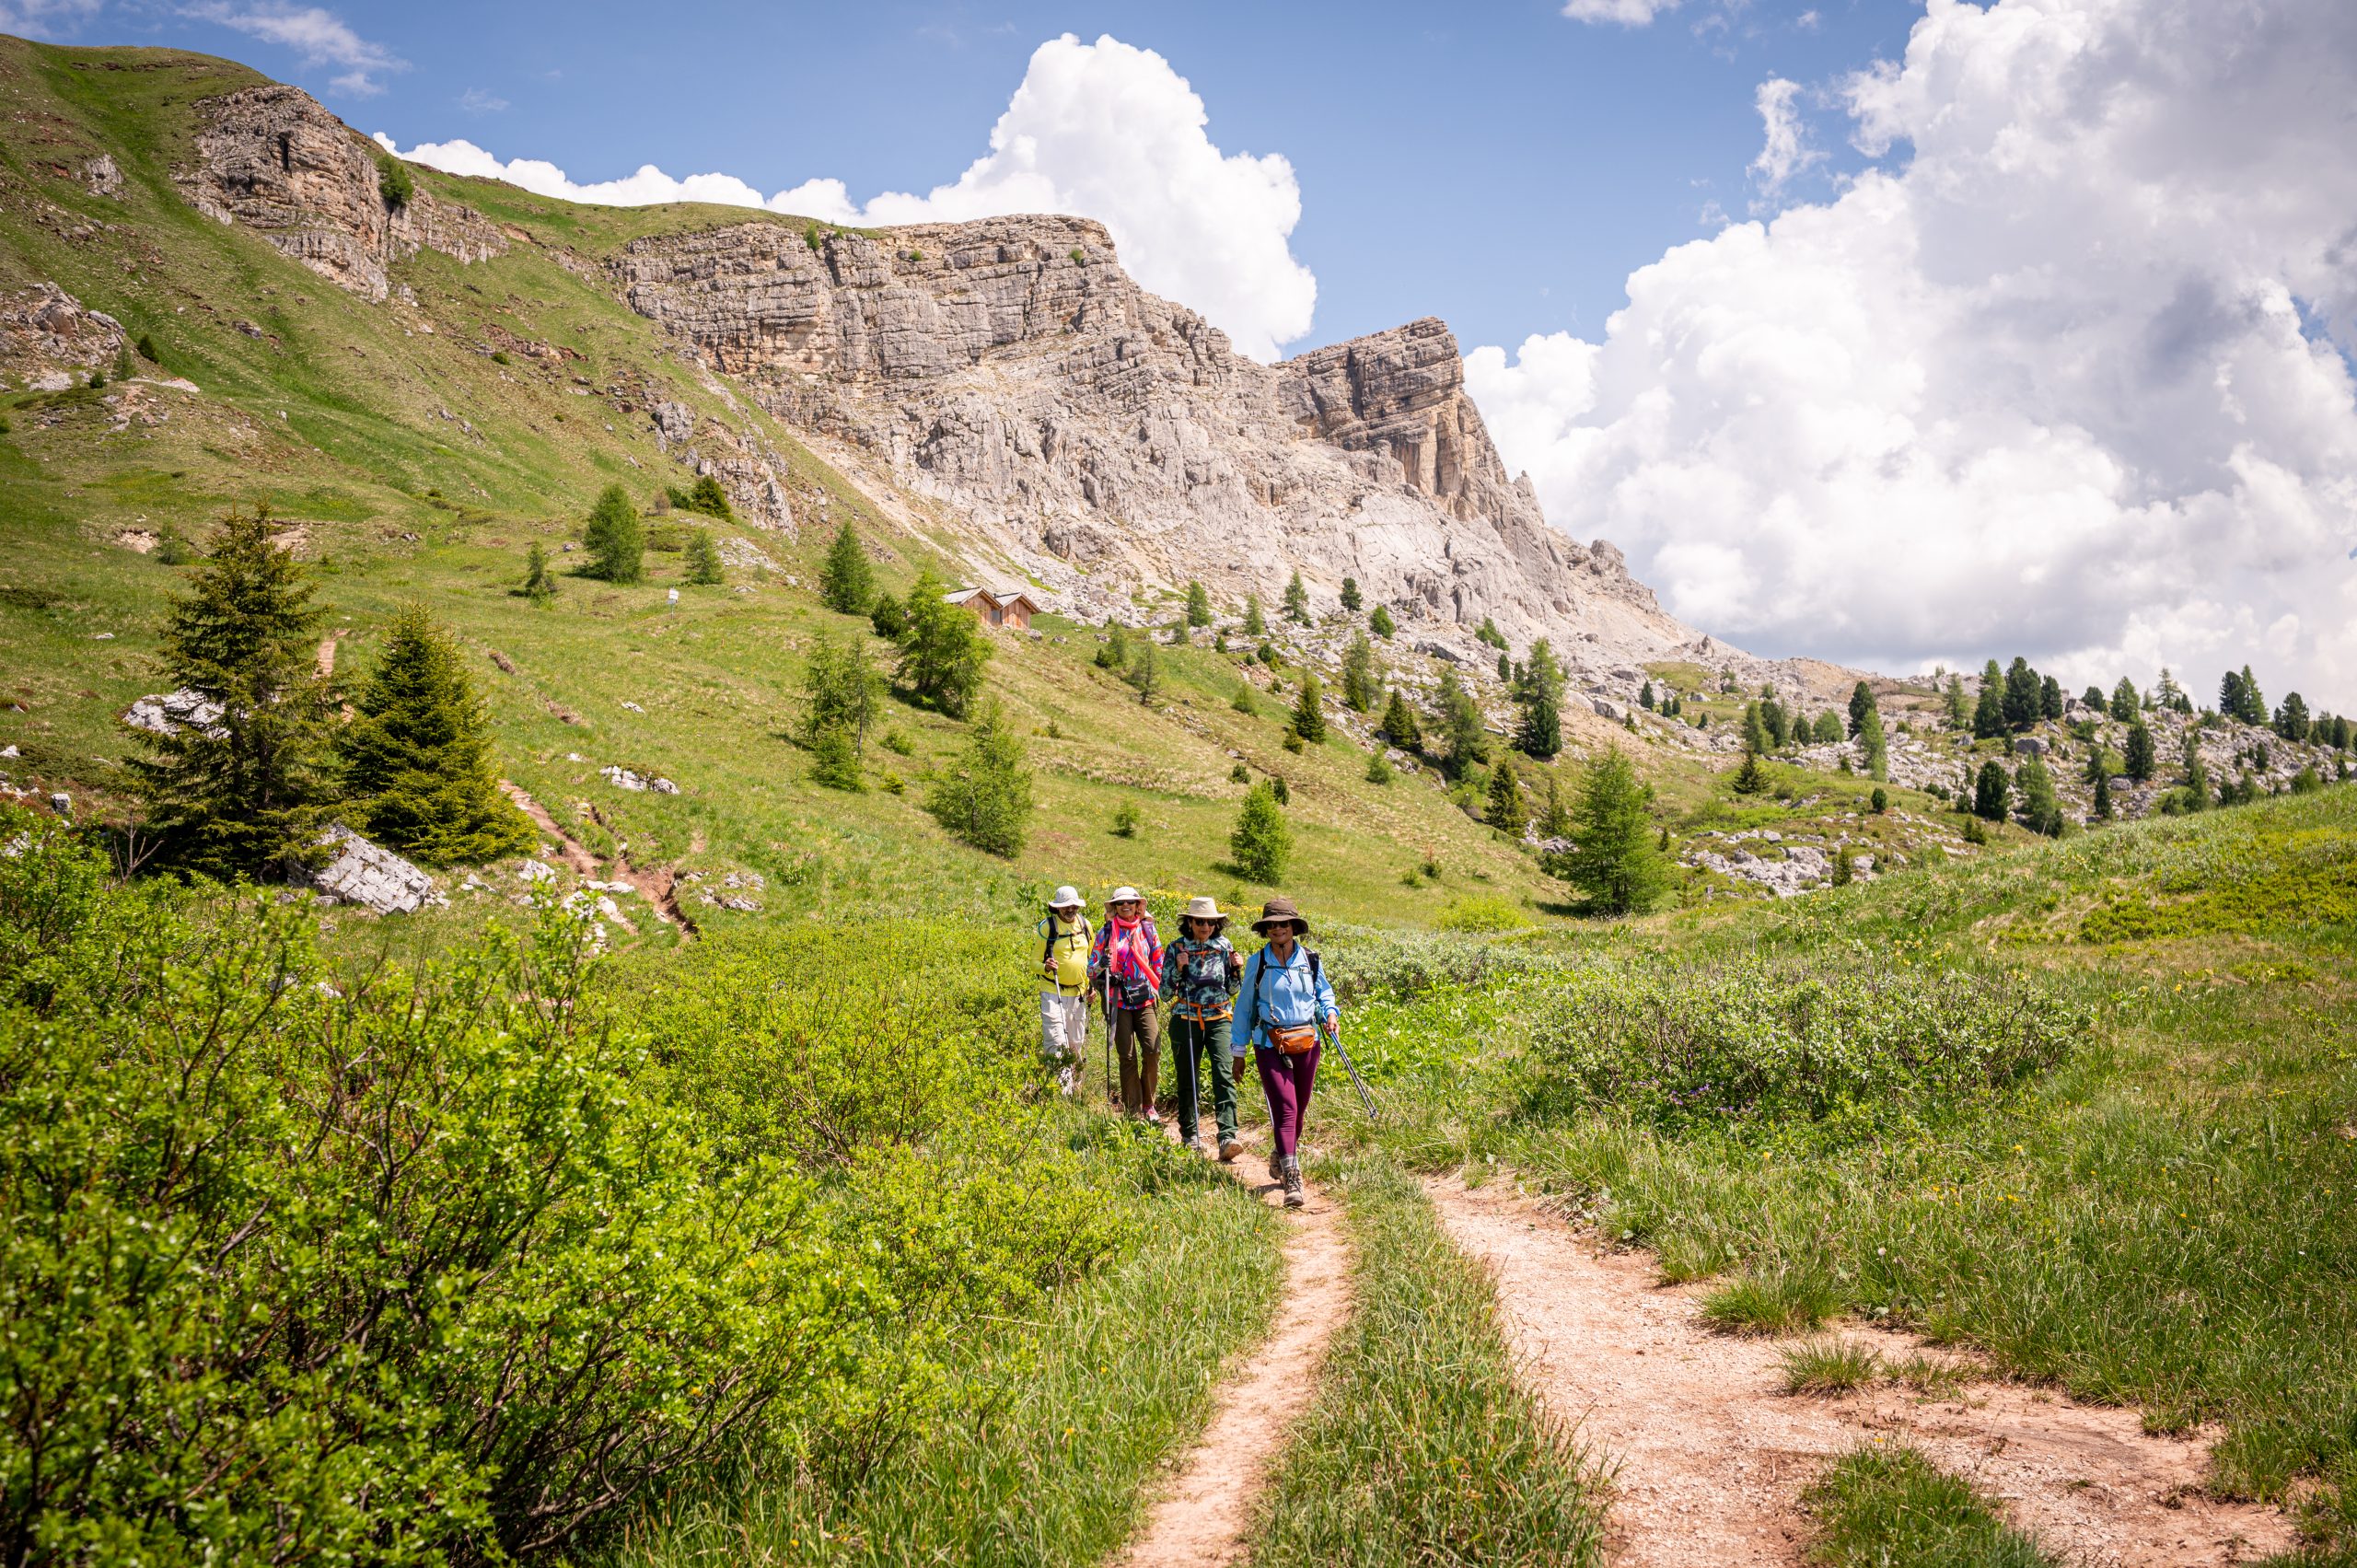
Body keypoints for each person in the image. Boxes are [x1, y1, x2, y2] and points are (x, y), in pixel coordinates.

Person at [1235, 896, 1338, 1209]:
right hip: (1269, 1044)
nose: (1278, 929)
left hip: (1307, 1041)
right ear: (1265, 930)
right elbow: (1244, 1009)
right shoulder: (1258, 962)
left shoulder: (1310, 959)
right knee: (1287, 1108)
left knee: (1300, 1108)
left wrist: (1330, 1013)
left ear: (1293, 927)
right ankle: (1293, 1178)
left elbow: (1324, 992)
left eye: (1283, 924)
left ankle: (1281, 1154)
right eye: (1272, 925)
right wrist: (1238, 1051)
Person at [1160, 896, 1244, 1159]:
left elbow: (1232, 990)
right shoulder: (1175, 948)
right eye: (1199, 921)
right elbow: (1164, 992)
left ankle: (1228, 1135)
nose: (1205, 926)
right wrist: (1178, 969)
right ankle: (1190, 1133)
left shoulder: (1224, 947)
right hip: (1186, 1016)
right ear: (1190, 922)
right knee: (1188, 1076)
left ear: (1217, 924)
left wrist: (1235, 971)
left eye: (1210, 921)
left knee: (1223, 1073)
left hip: (1219, 1017)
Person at [1089, 887, 1162, 1120]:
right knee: (1127, 1056)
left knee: (1152, 1049)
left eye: (1130, 902)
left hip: (1145, 1000)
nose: (1126, 906)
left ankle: (1149, 1103)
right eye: (1120, 903)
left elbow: (1158, 960)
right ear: (1115, 907)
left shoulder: (1148, 930)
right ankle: (1133, 1109)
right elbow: (1091, 969)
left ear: (1138, 905)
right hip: (1117, 1001)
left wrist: (1157, 985)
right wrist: (1103, 964)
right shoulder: (1106, 933)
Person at [1035, 886, 1092, 1096]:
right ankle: (1061, 1093)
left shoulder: (1086, 926)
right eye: (1066, 906)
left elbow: (1090, 960)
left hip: (1078, 994)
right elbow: (1033, 962)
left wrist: (1090, 987)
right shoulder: (1047, 928)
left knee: (1075, 1043)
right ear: (1057, 908)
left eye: (1074, 906)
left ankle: (1076, 1088)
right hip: (1052, 990)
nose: (1070, 909)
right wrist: (1045, 967)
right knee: (1056, 1042)